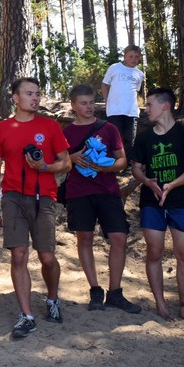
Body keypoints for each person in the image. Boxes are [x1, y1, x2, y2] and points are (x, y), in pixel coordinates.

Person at [0, 77, 71, 339]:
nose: (35, 98)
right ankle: (26, 315)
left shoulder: (50, 126)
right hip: (12, 197)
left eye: (37, 93)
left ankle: (53, 299)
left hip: (43, 197)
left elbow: (66, 163)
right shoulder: (2, 128)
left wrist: (45, 167)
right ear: (15, 98)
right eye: (29, 93)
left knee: (47, 257)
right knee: (19, 255)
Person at [62, 84, 141, 313]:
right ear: (73, 105)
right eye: (83, 103)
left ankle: (115, 292)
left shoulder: (108, 129)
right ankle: (95, 290)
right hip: (78, 192)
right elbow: (58, 162)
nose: (89, 107)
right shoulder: (66, 132)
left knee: (119, 237)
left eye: (91, 102)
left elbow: (122, 160)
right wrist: (71, 158)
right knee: (84, 238)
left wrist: (107, 167)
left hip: (108, 191)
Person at [131, 88, 184, 322]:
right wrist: (147, 181)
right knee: (154, 252)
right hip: (151, 202)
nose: (146, 109)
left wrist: (172, 184)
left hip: (181, 202)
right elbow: (136, 168)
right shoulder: (144, 138)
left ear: (165, 106)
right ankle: (160, 304)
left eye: (149, 104)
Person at [101, 45, 145, 151]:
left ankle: (128, 161)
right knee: (116, 139)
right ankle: (116, 160)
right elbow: (104, 84)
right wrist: (107, 101)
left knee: (130, 140)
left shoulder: (139, 74)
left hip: (131, 112)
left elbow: (135, 91)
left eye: (136, 57)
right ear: (124, 56)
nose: (133, 59)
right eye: (131, 56)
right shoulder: (115, 67)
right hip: (114, 110)